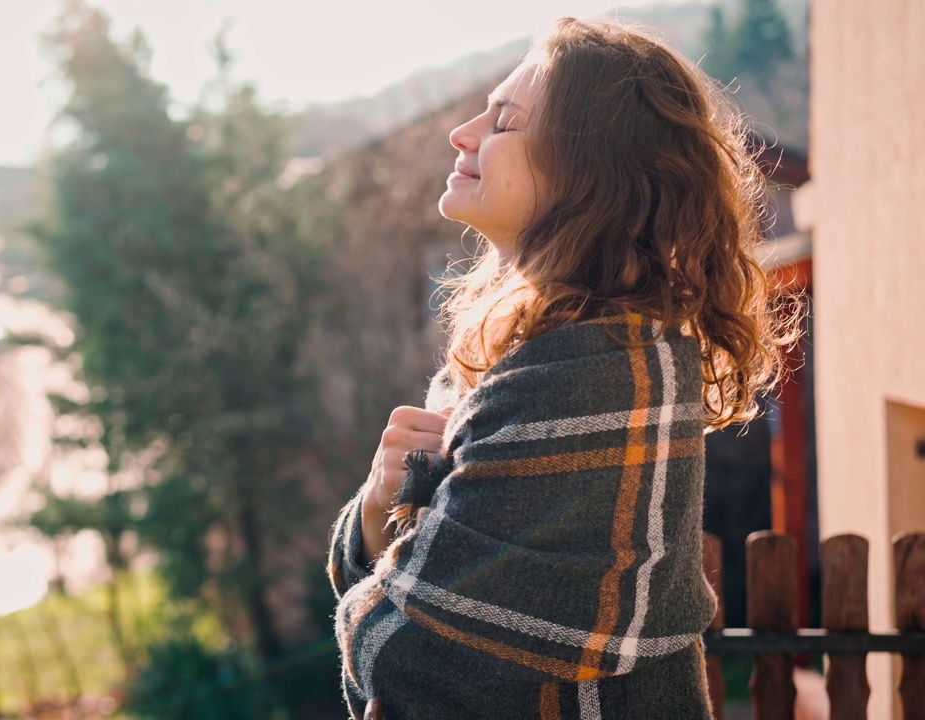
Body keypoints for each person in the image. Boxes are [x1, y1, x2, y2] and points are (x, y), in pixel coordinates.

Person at [326, 17, 797, 720]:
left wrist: (378, 580)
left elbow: (407, 657)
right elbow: (406, 587)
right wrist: (373, 509)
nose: (463, 133)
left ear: (588, 168)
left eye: (504, 122)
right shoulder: (530, 352)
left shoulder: (601, 366)